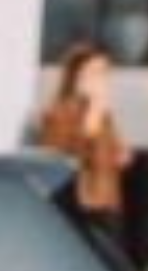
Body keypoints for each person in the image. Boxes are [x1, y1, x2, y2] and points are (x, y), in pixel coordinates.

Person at [38, 42, 132, 241]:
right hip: (78, 204)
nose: (101, 80)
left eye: (104, 73)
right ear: (76, 77)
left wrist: (120, 153)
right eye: (94, 73)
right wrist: (95, 110)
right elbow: (62, 158)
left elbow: (118, 155)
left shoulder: (103, 114)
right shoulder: (58, 112)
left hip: (105, 202)